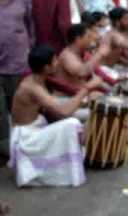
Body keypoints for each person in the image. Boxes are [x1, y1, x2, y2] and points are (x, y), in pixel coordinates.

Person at [9, 45, 102, 187]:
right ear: (46, 67)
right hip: (27, 138)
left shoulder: (37, 78)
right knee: (72, 123)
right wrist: (87, 89)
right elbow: (64, 111)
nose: (58, 62)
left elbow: (59, 101)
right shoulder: (32, 87)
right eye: (54, 60)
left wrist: (85, 98)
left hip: (35, 128)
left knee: (85, 111)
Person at [0, 0, 35, 164]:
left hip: (18, 65)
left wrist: (29, 44)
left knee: (20, 109)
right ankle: (5, 151)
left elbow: (31, 24)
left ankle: (24, 148)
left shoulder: (21, 0)